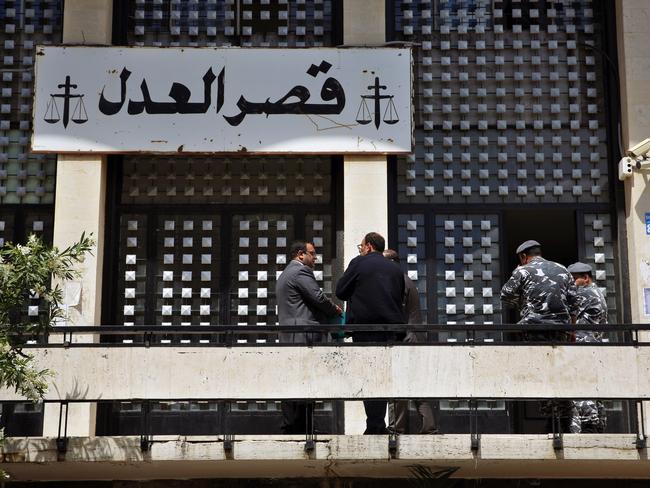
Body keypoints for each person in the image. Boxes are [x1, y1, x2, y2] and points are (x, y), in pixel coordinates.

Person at [500, 240, 580, 433]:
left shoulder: (522, 271)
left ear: (523, 256)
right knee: (558, 372)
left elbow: (505, 295)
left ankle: (551, 421)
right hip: (560, 331)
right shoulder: (563, 270)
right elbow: (575, 305)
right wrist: (572, 331)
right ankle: (561, 421)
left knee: (541, 373)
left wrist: (523, 302)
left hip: (534, 330)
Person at [335, 232, 405, 434]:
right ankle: (378, 423)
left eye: (361, 246)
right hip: (390, 331)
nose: (361, 249)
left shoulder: (359, 263)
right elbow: (398, 297)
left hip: (364, 331)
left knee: (368, 376)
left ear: (368, 247)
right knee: (382, 377)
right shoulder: (394, 269)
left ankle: (374, 425)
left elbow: (341, 291)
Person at [276, 240, 342, 434]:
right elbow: (317, 297)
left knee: (293, 382)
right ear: (300, 254)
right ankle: (304, 427)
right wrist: (335, 309)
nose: (315, 258)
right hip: (304, 336)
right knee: (307, 380)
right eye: (312, 254)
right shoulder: (300, 272)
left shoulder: (285, 274)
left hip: (291, 335)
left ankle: (293, 426)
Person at [383, 249, 437, 435]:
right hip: (415, 338)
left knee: (398, 385)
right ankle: (428, 425)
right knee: (416, 385)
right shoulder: (406, 279)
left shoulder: (397, 280)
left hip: (405, 339)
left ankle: (398, 428)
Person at [567, 261, 608, 433]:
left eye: (574, 280)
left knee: (581, 387)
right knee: (592, 387)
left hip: (583, 348)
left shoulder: (586, 293)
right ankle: (596, 424)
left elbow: (565, 310)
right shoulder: (598, 293)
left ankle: (588, 426)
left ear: (585, 278)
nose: (572, 284)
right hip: (593, 348)